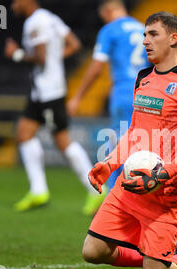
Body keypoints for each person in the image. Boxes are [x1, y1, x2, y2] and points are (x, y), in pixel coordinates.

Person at [82, 11, 177, 269]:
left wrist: (163, 172)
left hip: (166, 190)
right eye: (144, 35)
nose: (145, 41)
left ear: (173, 38)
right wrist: (109, 164)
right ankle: (156, 257)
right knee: (93, 251)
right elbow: (134, 132)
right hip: (132, 182)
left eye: (153, 34)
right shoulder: (143, 78)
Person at [4, 0, 106, 214]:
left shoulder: (35, 23)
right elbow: (74, 44)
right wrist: (53, 59)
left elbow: (41, 58)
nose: (12, 5)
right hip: (42, 92)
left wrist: (17, 55)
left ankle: (96, 190)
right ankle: (39, 191)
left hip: (48, 92)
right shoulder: (50, 18)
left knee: (63, 142)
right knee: (24, 133)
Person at [66, 0, 151, 193]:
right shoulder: (144, 29)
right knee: (138, 143)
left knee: (118, 145)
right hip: (145, 92)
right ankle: (135, 195)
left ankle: (113, 198)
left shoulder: (110, 30)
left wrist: (78, 96)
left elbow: (96, 68)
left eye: (102, 15)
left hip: (123, 92)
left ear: (108, 10)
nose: (102, 19)